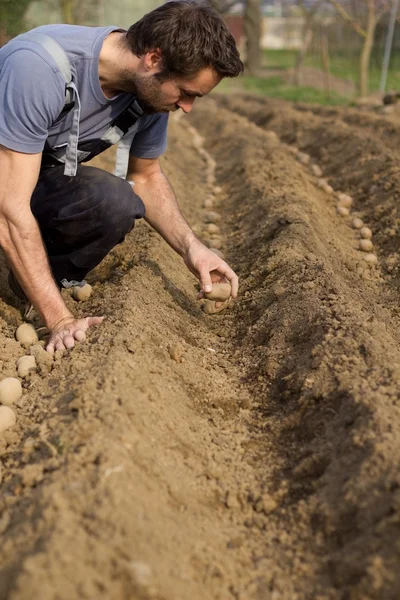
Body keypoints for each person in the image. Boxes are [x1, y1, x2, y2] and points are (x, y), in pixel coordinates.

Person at [0, 0, 243, 354]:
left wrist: (194, 249)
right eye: (187, 93)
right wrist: (60, 321)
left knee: (113, 201)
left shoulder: (147, 95)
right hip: (7, 182)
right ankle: (37, 289)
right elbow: (9, 209)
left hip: (25, 177)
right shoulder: (39, 67)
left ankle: (23, 287)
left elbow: (145, 178)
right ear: (154, 59)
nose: (188, 107)